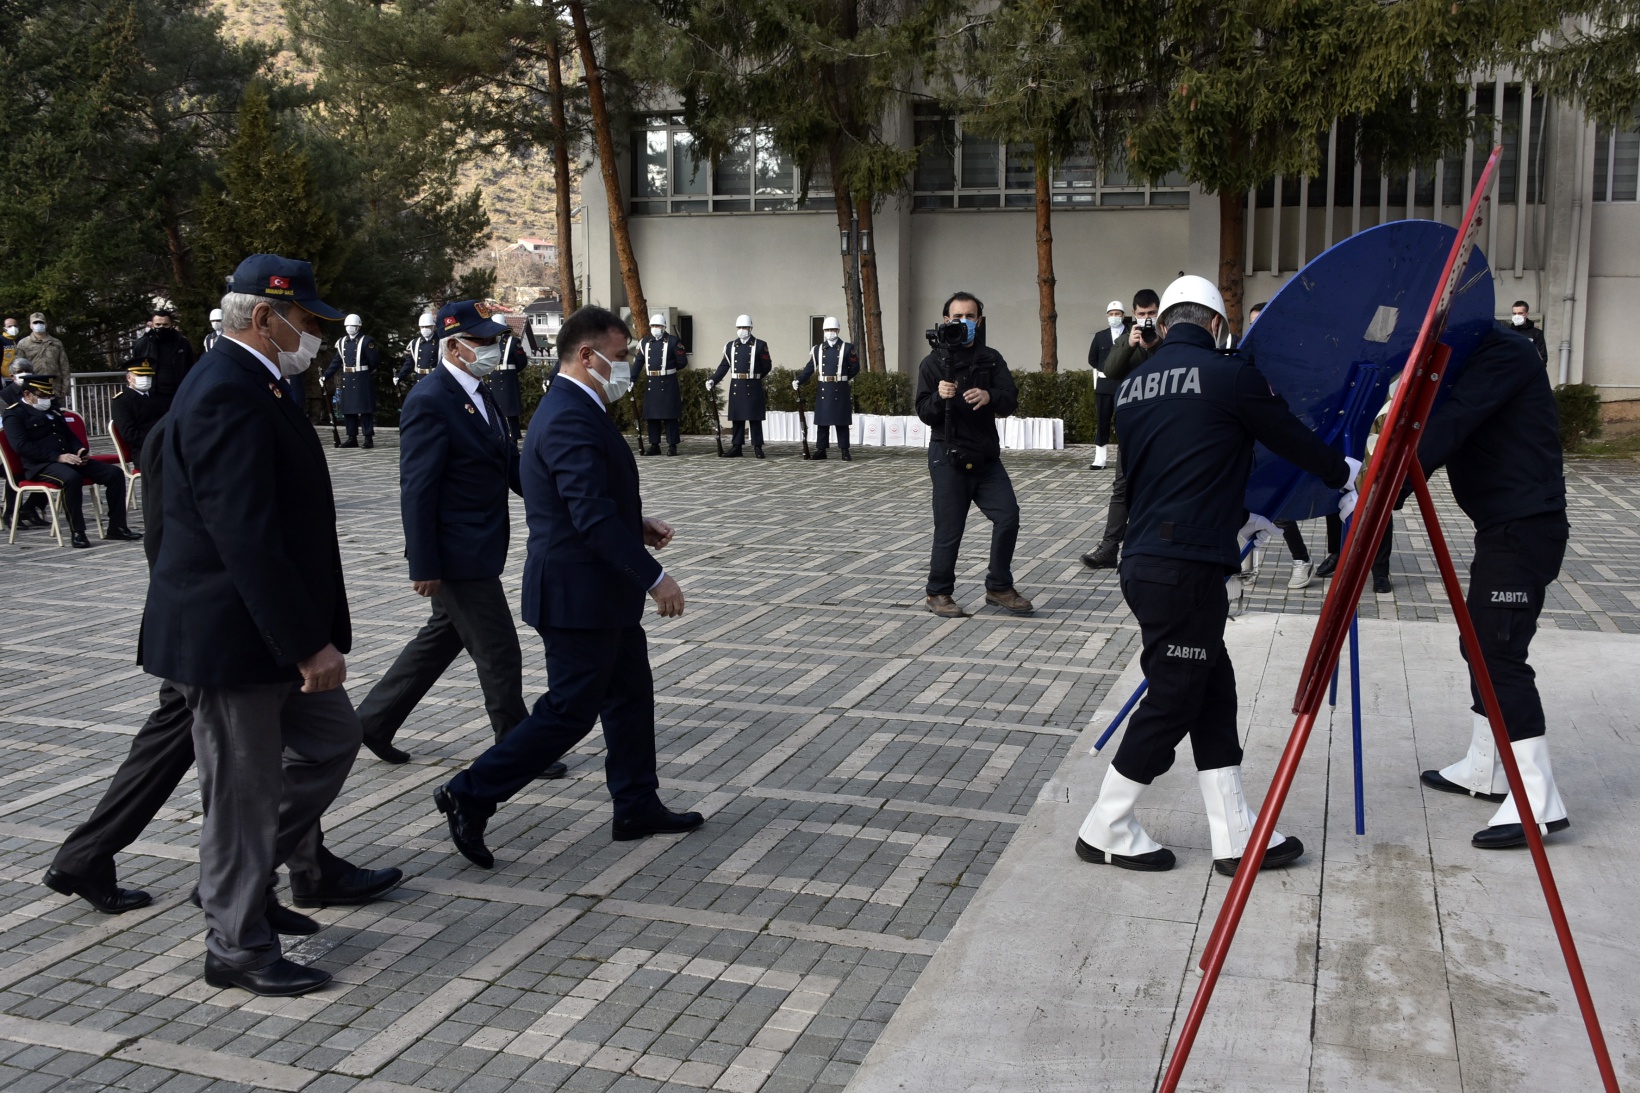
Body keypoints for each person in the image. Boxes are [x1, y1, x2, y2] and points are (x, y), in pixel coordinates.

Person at [47, 416, 401, 919]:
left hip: (227, 629)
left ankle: (296, 869)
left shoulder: (209, 414)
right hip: (219, 632)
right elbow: (170, 536)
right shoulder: (199, 420)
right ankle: (250, 878)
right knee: (233, 749)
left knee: (179, 747)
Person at [1074, 274, 1357, 875]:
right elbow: (1287, 437)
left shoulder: (1133, 386)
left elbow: (1177, 463)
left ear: (1164, 322)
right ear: (1216, 324)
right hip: (1186, 566)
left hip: (1147, 559)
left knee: (1211, 690)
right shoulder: (1230, 375)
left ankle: (1235, 830)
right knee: (1175, 695)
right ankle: (1106, 825)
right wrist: (1344, 474)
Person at [141, 253, 363, 997]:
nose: (314, 335)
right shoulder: (224, 390)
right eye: (304, 320)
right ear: (264, 317)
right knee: (242, 792)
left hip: (262, 629)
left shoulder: (255, 381)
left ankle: (235, 880)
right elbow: (245, 535)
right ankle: (235, 945)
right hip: (236, 638)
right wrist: (306, 643)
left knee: (332, 739)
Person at [433, 305, 701, 868]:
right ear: (587, 355)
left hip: (599, 592)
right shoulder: (569, 415)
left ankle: (636, 804)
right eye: (620, 356)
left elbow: (586, 500)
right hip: (576, 596)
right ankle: (470, 793)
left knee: (630, 697)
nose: (626, 367)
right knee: (568, 712)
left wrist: (636, 523)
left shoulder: (576, 407)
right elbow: (590, 517)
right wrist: (655, 578)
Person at [354, 299, 566, 779]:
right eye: (482, 341)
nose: (491, 348)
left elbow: (507, 462)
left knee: (441, 638)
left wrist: (559, 497)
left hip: (478, 544)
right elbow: (417, 488)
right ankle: (517, 750)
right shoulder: (430, 399)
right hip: (455, 553)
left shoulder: (476, 390)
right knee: (499, 651)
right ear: (453, 346)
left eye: (494, 339)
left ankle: (372, 721)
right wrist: (423, 563)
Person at [1412, 326, 1571, 849]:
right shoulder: (1476, 356)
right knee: (1479, 643)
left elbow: (1450, 423)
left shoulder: (1504, 353)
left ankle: (1537, 800)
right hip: (1503, 527)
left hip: (1525, 528)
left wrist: (1383, 482)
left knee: (1497, 652)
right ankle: (1487, 769)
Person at [914, 292, 1033, 619]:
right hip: (947, 454)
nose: (963, 322)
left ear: (979, 321)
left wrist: (990, 395)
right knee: (950, 527)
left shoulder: (991, 359)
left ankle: (999, 586)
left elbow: (1010, 400)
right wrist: (938, 397)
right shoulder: (933, 363)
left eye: (970, 316)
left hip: (986, 456)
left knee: (1008, 516)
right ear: (945, 321)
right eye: (957, 317)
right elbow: (923, 411)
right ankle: (938, 592)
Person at [2, 375, 140, 548]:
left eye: (49, 396)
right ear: (27, 394)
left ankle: (117, 527)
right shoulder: (14, 414)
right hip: (41, 465)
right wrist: (57, 457)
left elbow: (69, 436)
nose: (47, 399)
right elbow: (21, 446)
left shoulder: (53, 411)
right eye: (42, 396)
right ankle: (78, 531)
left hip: (70, 459)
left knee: (114, 474)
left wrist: (80, 450)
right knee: (71, 478)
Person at [1080, 289, 1160, 569]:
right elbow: (1110, 370)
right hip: (1133, 426)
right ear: (1134, 314)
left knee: (1159, 486)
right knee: (1122, 487)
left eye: (1152, 313)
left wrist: (1156, 344)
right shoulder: (1125, 339)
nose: (1147, 319)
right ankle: (1109, 547)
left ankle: (1153, 546)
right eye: (1142, 314)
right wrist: (1129, 344)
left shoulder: (1167, 338)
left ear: (1159, 312)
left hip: (1162, 424)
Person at [794, 316, 859, 460]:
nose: (830, 332)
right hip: (824, 388)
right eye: (828, 330)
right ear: (824, 331)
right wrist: (799, 380)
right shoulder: (818, 349)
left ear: (838, 330)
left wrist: (842, 378)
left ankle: (844, 450)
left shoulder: (847, 348)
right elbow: (810, 368)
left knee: (841, 422)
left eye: (833, 329)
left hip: (840, 388)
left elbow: (855, 367)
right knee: (823, 422)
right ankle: (821, 450)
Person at [709, 314, 772, 458]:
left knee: (755, 418)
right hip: (737, 385)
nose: (742, 330)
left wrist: (755, 377)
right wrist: (713, 380)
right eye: (739, 327)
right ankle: (736, 446)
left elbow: (767, 366)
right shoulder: (730, 346)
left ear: (750, 328)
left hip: (753, 384)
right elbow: (724, 366)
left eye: (744, 327)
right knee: (737, 417)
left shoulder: (760, 345)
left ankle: (757, 447)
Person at [321, 313, 381, 448]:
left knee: (365, 409)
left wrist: (364, 371)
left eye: (352, 326)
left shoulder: (366, 341)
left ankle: (368, 438)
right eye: (347, 326)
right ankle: (351, 437)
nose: (350, 328)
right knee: (349, 410)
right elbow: (337, 361)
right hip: (347, 378)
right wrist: (326, 376)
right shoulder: (342, 342)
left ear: (358, 327)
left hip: (361, 377)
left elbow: (374, 361)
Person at [638, 312, 689, 456]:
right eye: (653, 325)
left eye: (658, 326)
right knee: (652, 416)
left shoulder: (673, 341)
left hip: (668, 382)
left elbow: (682, 362)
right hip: (652, 382)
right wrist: (631, 379)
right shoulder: (645, 342)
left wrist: (669, 369)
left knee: (670, 415)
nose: (655, 328)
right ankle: (654, 445)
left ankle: (672, 445)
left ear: (664, 327)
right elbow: (639, 363)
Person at [1086, 301, 1129, 470]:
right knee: (1102, 420)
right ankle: (1100, 459)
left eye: (1117, 314)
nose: (1114, 317)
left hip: (1124, 384)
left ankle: (1126, 456)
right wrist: (1106, 369)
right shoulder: (1100, 336)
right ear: (1107, 316)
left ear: (1123, 315)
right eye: (1111, 314)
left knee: (1124, 420)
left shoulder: (1130, 333)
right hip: (1104, 384)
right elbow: (1092, 358)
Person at [131, 307, 196, 408]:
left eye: (165, 324)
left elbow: (190, 366)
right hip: (151, 395)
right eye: (158, 324)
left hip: (177, 395)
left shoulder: (182, 343)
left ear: (171, 325)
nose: (161, 327)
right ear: (152, 325)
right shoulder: (142, 344)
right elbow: (134, 369)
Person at [110, 360, 165, 459]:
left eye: (148, 376)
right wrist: (157, 441)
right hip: (145, 451)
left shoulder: (157, 397)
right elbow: (129, 434)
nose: (146, 379)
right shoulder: (122, 401)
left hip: (165, 445)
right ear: (129, 378)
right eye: (140, 375)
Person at [485, 319, 528, 443]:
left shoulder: (513, 342)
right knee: (494, 411)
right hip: (493, 378)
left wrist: (510, 372)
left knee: (510, 411)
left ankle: (513, 437)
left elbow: (522, 362)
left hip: (507, 381)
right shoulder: (489, 341)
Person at [13, 312, 70, 391]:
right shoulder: (23, 343)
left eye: (41, 322)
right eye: (35, 323)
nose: (38, 324)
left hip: (54, 386)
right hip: (33, 387)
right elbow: (18, 366)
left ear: (46, 324)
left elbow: (64, 366)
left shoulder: (56, 343)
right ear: (30, 325)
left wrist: (65, 387)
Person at [396, 311, 439, 389]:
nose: (424, 329)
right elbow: (409, 362)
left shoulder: (440, 342)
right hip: (419, 379)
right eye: (422, 327)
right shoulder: (415, 343)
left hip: (435, 379)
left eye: (427, 326)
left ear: (433, 326)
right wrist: (400, 376)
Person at [1506, 300, 1548, 367]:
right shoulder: (1507, 333)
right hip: (1510, 370)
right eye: (1514, 313)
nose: (1517, 316)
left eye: (1520, 313)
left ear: (1526, 314)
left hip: (1529, 370)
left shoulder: (1536, 333)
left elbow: (1542, 357)